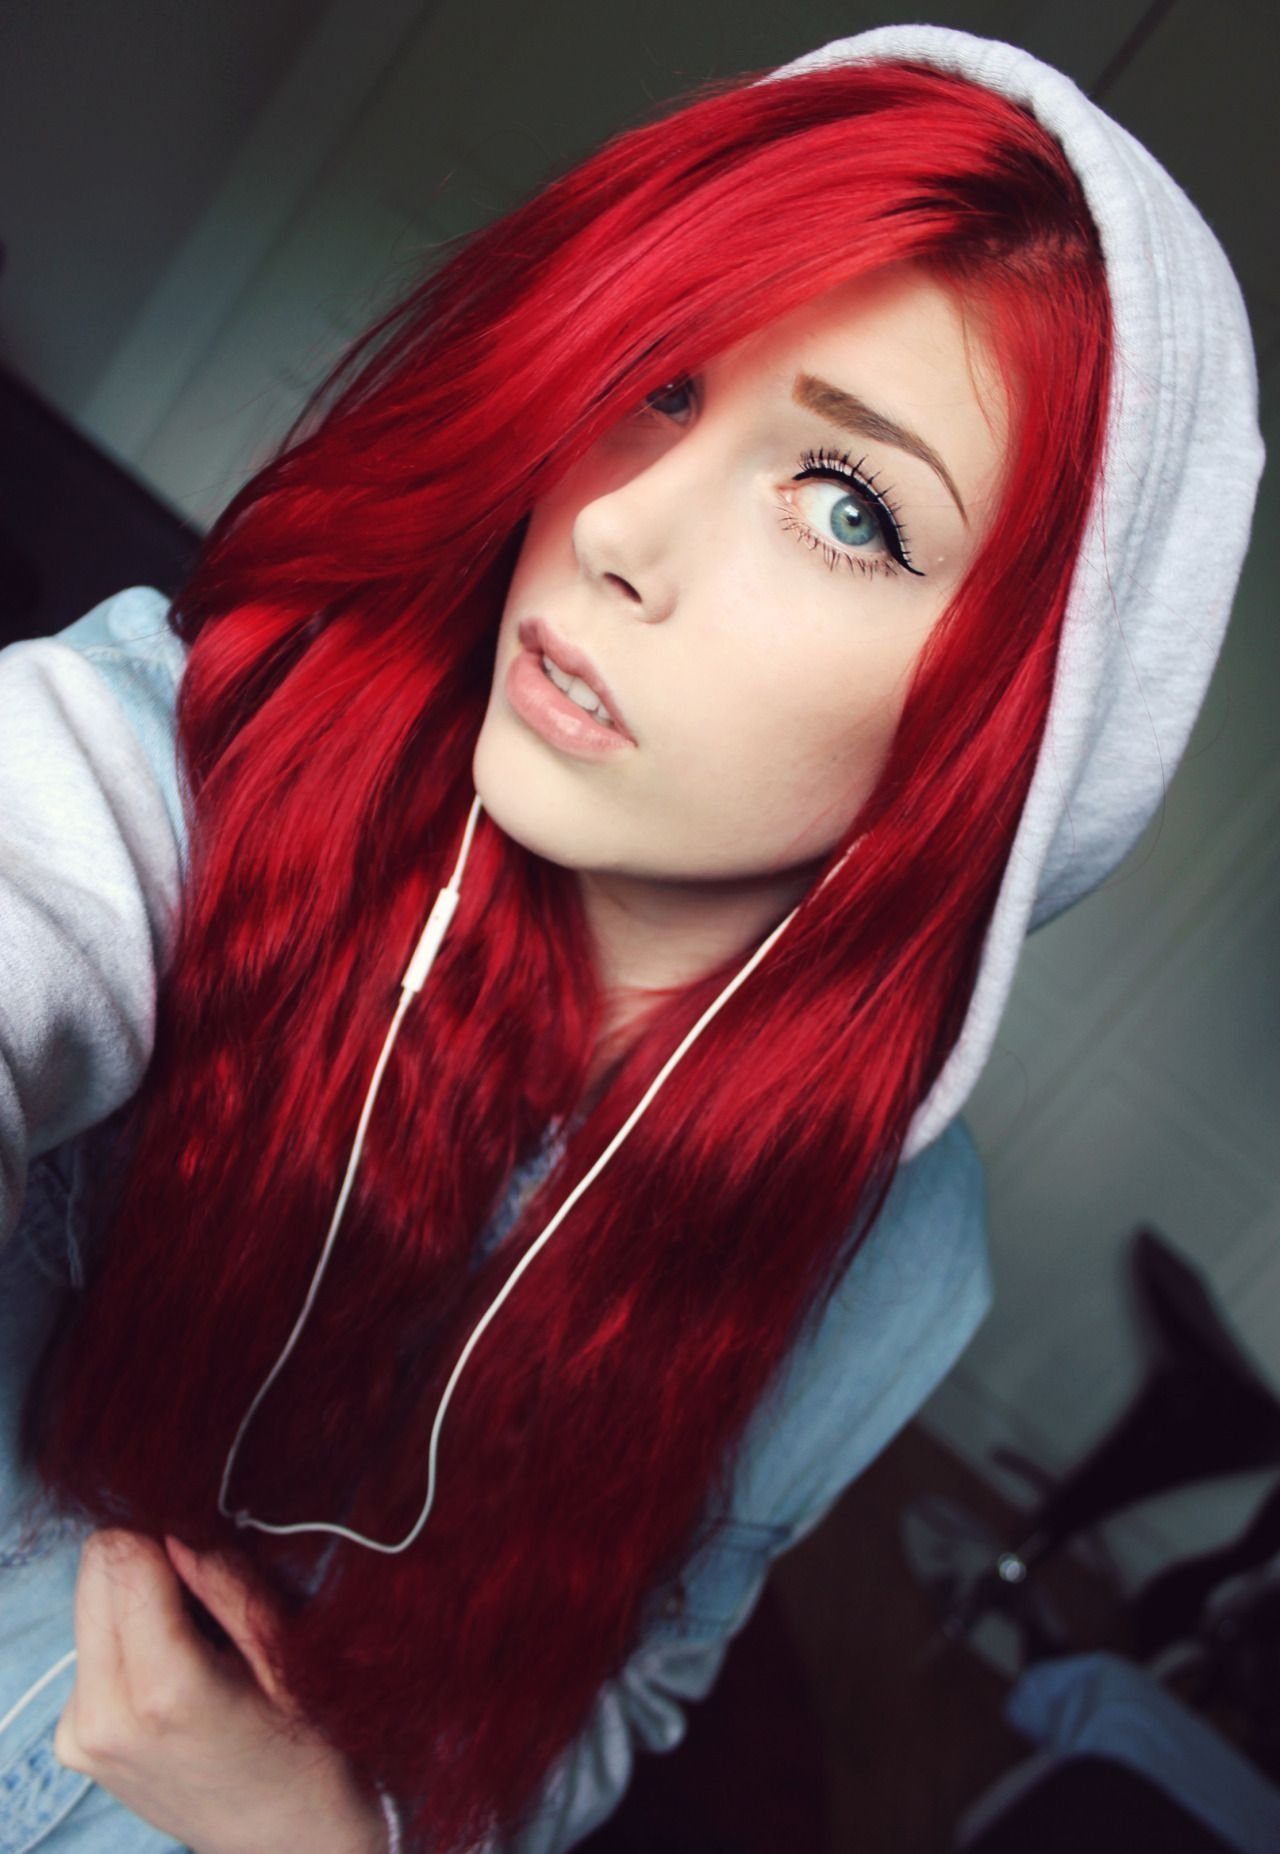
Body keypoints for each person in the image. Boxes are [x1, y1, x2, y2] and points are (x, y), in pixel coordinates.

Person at [0, 21, 1263, 1854]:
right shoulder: (199, 752)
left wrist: (319, 1826)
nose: (616, 521)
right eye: (662, 381)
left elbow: (613, 1696)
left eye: (847, 506)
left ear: (1015, 729)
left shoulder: (895, 1264)